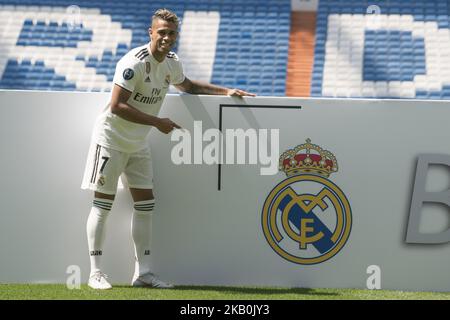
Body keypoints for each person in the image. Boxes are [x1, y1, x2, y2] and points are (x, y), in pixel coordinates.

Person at [81, 8, 255, 290]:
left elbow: (186, 86)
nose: (166, 37)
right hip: (111, 140)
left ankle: (143, 273)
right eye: (161, 32)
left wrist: (226, 91)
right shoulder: (134, 63)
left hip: (138, 143)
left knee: (146, 205)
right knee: (103, 205)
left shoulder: (172, 62)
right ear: (151, 32)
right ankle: (95, 273)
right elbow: (117, 105)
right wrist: (157, 122)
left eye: (171, 33)